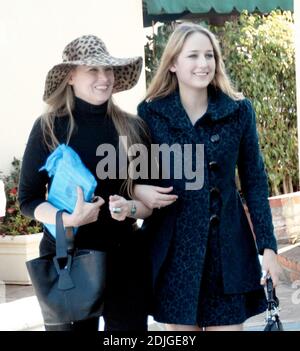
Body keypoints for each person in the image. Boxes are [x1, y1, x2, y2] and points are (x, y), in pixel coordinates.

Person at [134, 22, 281, 331]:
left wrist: (268, 248)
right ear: (173, 63)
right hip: (175, 253)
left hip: (226, 252)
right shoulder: (151, 114)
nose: (203, 64)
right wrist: (139, 192)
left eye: (209, 55)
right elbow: (137, 178)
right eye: (193, 56)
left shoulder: (239, 111)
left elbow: (254, 181)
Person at [18, 34, 153, 331]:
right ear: (70, 76)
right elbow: (27, 200)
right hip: (67, 260)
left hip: (125, 260)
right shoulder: (48, 128)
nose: (104, 78)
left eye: (108, 70)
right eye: (93, 69)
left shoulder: (133, 128)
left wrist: (130, 207)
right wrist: (67, 219)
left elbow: (148, 204)